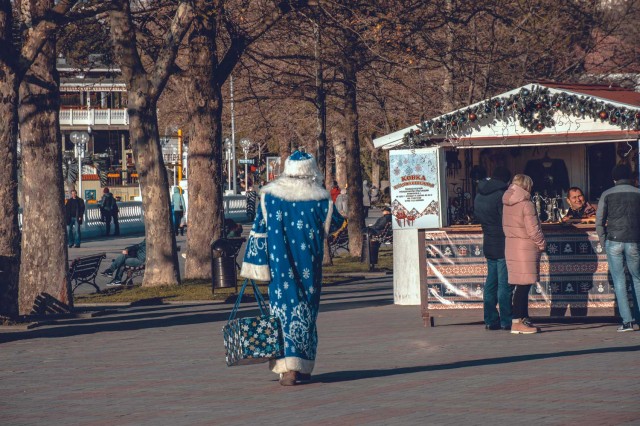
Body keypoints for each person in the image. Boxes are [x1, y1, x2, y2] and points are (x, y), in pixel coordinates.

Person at [240, 151, 344, 386]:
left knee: (281, 313)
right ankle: (303, 365)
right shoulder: (321, 199)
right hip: (310, 266)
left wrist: (256, 266)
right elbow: (334, 222)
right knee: (306, 313)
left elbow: (258, 232)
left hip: (279, 267)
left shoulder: (270, 196)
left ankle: (287, 368)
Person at [596, 164, 640, 332]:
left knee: (619, 281)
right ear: (630, 177)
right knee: (637, 279)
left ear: (614, 178)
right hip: (634, 240)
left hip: (614, 240)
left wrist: (603, 241)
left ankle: (627, 322)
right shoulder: (638, 193)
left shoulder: (606, 194)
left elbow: (599, 221)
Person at [502, 174, 546, 334]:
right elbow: (533, 230)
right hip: (525, 248)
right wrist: (542, 244)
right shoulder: (526, 204)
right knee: (523, 286)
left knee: (520, 285)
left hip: (512, 245)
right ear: (527, 186)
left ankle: (522, 319)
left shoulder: (507, 202)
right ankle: (517, 322)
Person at [474, 166, 512, 331]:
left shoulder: (478, 195)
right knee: (504, 285)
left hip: (488, 241)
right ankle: (506, 320)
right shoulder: (500, 196)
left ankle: (490, 319)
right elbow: (506, 220)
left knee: (491, 283)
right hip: (502, 243)